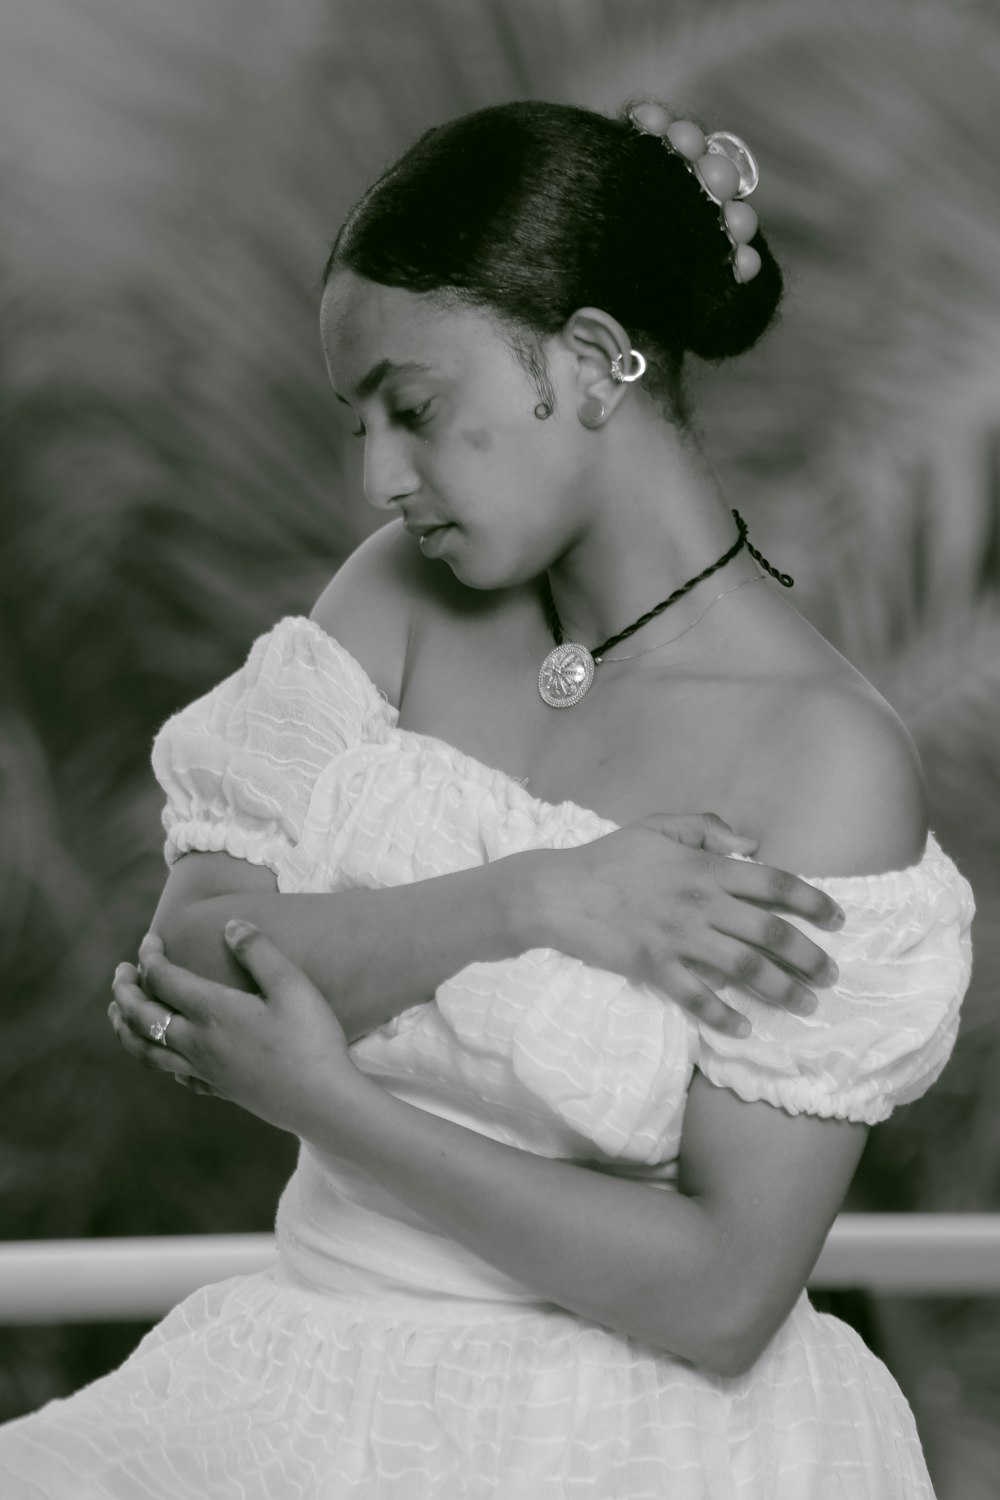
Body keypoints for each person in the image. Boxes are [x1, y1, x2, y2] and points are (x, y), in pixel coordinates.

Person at [0, 97, 974, 1498]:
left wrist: (335, 1105)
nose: (380, 481)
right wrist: (541, 900)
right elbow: (193, 960)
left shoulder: (824, 761)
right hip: (286, 1389)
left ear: (588, 362)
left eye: (418, 410)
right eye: (358, 424)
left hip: (631, 1445)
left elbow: (719, 1294)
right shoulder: (395, 600)